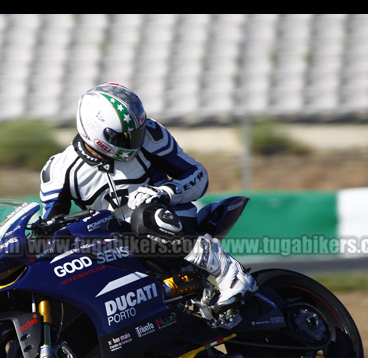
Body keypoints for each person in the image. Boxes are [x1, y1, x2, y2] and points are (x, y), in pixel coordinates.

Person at [39, 82, 256, 310]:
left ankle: (229, 272)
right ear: (95, 132)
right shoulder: (59, 170)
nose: (136, 140)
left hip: (172, 221)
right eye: (125, 137)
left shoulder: (150, 135)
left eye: (137, 132)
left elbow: (198, 175)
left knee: (144, 215)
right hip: (120, 245)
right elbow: (49, 232)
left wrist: (162, 193)